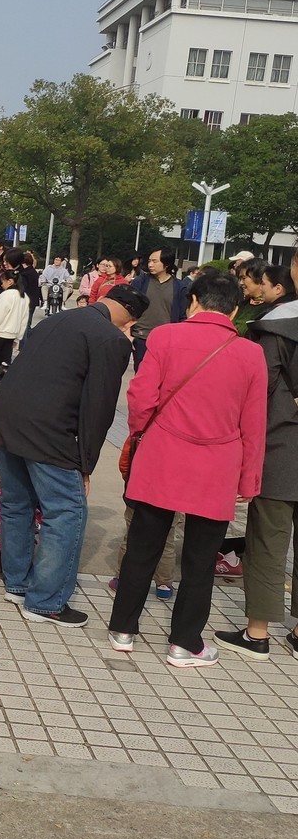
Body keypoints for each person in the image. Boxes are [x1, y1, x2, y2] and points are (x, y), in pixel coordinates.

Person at [109, 272, 268, 668]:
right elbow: (254, 424)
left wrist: (139, 435)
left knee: (143, 547)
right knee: (199, 560)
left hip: (162, 456)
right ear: (235, 308)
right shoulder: (251, 354)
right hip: (216, 467)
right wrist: (250, 478)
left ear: (193, 300)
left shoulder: (164, 337)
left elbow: (142, 396)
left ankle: (123, 629)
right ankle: (184, 643)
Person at [0, 284, 150, 627]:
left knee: (16, 504)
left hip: (8, 418)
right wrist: (85, 464)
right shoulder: (110, 339)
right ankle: (45, 602)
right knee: (66, 511)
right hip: (51, 431)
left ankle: (17, 583)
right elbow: (99, 407)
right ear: (128, 314)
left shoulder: (58, 318)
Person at [214, 265, 298, 662]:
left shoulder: (276, 328)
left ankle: (258, 633)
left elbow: (258, 389)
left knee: (268, 541)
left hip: (282, 448)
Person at [129, 247, 190, 370]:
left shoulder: (180, 287)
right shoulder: (140, 282)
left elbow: (183, 316)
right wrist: (129, 335)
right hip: (141, 337)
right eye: (149, 261)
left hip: (167, 341)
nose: (150, 264)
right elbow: (128, 308)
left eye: (155, 261)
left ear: (166, 263)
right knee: (141, 376)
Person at [0, 266, 30, 377]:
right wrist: (18, 337)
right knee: (5, 360)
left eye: (3, 282)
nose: (1, 285)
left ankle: (1, 379)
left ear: (10, 282)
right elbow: (24, 319)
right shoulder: (24, 297)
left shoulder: (5, 295)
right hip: (12, 334)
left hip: (0, 333)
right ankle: (4, 379)